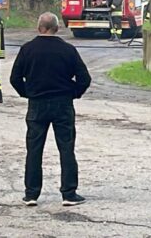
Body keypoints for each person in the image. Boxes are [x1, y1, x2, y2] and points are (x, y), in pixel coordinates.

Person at [10, 12, 91, 207]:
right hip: (62, 103)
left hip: (37, 104)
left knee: (34, 149)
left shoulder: (27, 49)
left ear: (39, 28)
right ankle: (69, 193)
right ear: (56, 28)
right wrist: (73, 92)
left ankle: (31, 194)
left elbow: (14, 78)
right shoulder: (68, 50)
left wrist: (28, 92)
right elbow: (84, 78)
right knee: (66, 147)